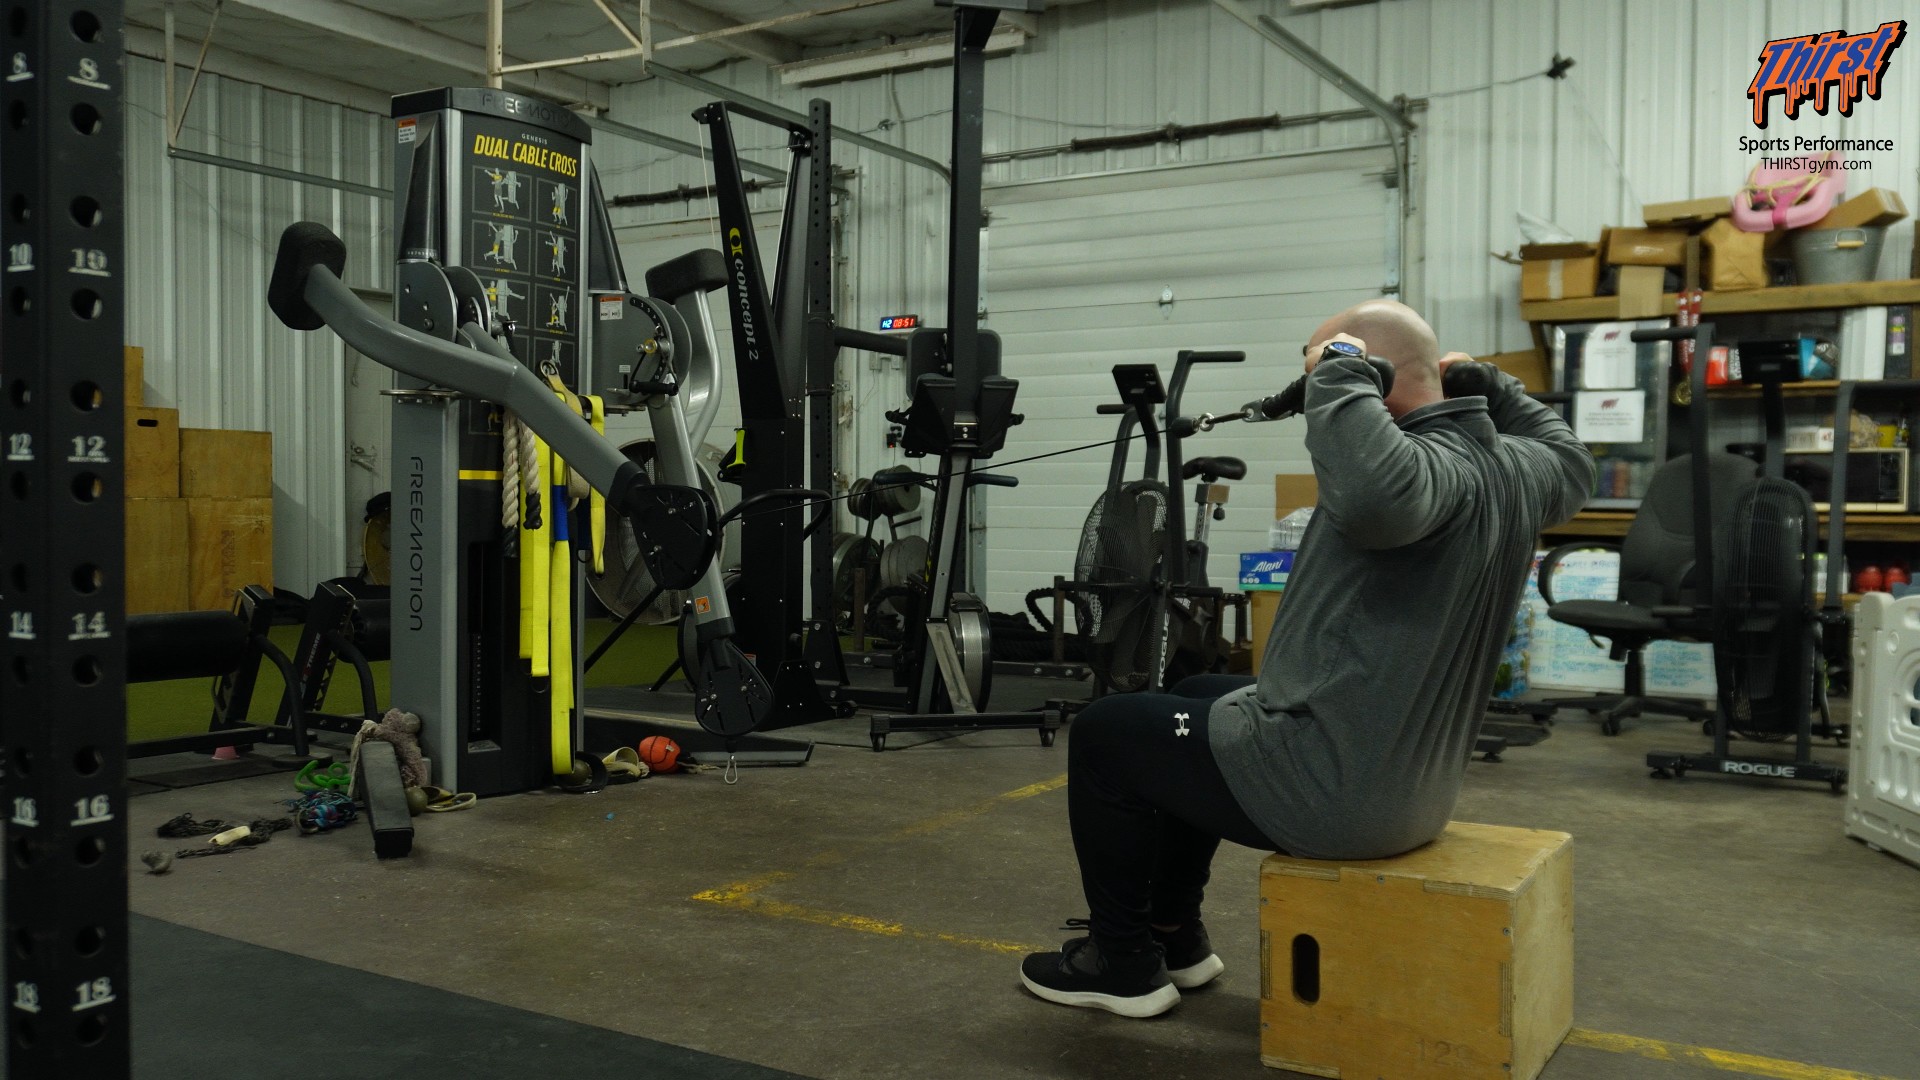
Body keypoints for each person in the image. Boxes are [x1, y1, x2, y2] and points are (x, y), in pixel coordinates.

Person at [1020, 300, 1595, 1018]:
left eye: (1325, 372)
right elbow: (1571, 457)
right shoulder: (1514, 467)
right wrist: (1489, 383)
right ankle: (1174, 936)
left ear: (1370, 379)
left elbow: (1376, 497)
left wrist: (1336, 372)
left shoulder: (1416, 476)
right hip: (1407, 790)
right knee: (1199, 689)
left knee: (1108, 732)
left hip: (1332, 791)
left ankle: (1121, 963)